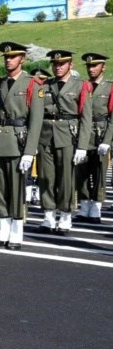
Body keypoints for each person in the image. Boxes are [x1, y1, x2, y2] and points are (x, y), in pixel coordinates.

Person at [0, 42, 45, 250]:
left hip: (18, 143)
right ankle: (3, 230)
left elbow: (35, 122)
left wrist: (29, 152)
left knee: (16, 189)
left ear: (22, 59)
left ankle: (17, 232)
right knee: (0, 188)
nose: (8, 60)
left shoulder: (32, 85)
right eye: (6, 57)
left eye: (13, 57)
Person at [36, 50, 93, 234]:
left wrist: (83, 146)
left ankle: (66, 216)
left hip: (68, 135)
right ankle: (49, 216)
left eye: (62, 63)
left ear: (71, 65)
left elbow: (86, 118)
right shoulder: (45, 85)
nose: (58, 66)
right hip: (45, 136)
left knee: (66, 178)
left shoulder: (81, 85)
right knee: (46, 178)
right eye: (54, 63)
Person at [76, 53, 112, 223]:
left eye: (95, 66)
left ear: (103, 67)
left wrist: (107, 141)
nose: (91, 69)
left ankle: (96, 207)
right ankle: (84, 206)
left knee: (99, 173)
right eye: (89, 66)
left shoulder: (110, 87)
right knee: (81, 172)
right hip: (83, 134)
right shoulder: (82, 86)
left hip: (100, 134)